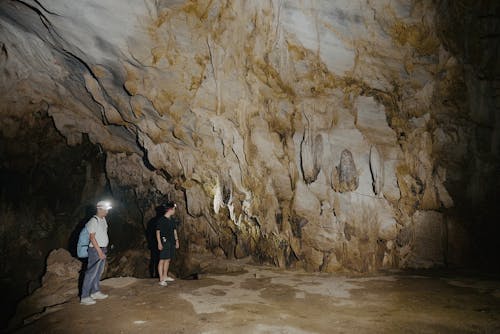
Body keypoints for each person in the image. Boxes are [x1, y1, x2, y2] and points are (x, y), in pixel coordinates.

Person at [80, 200, 112, 305]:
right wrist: (99, 252)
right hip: (95, 250)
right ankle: (84, 297)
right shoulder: (93, 221)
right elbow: (92, 238)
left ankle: (95, 292)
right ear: (99, 209)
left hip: (102, 248)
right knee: (91, 273)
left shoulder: (103, 220)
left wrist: (104, 250)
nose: (107, 211)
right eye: (105, 209)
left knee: (98, 273)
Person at [156, 201, 179, 286]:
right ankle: (161, 279)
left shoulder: (171, 219)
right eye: (174, 209)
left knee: (168, 259)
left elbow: (174, 230)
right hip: (164, 241)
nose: (174, 210)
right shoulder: (161, 220)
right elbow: (158, 232)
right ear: (170, 210)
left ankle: (165, 276)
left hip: (171, 241)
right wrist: (159, 243)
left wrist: (177, 240)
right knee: (162, 260)